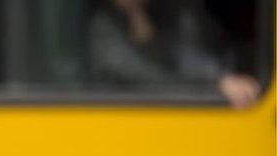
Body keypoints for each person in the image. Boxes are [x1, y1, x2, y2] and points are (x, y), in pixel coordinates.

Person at [88, 0, 262, 108]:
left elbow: (188, 58)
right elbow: (146, 77)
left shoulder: (164, 14)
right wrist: (213, 84)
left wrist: (221, 78)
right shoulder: (100, 25)